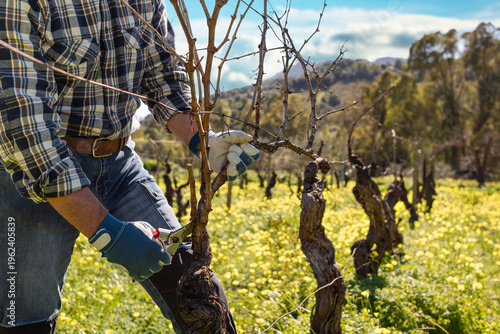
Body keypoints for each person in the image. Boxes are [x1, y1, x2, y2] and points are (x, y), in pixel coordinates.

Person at [0, 0, 259, 332]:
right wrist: (106, 232)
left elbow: (164, 78)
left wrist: (202, 142)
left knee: (198, 293)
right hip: (36, 171)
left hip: (119, 163)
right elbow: (24, 121)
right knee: (26, 318)